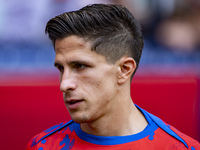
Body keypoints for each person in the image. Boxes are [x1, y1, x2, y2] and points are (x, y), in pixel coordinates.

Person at [26, 4, 200, 150]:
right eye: (60, 68)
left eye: (80, 66)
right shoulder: (44, 146)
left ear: (124, 70)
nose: (64, 84)